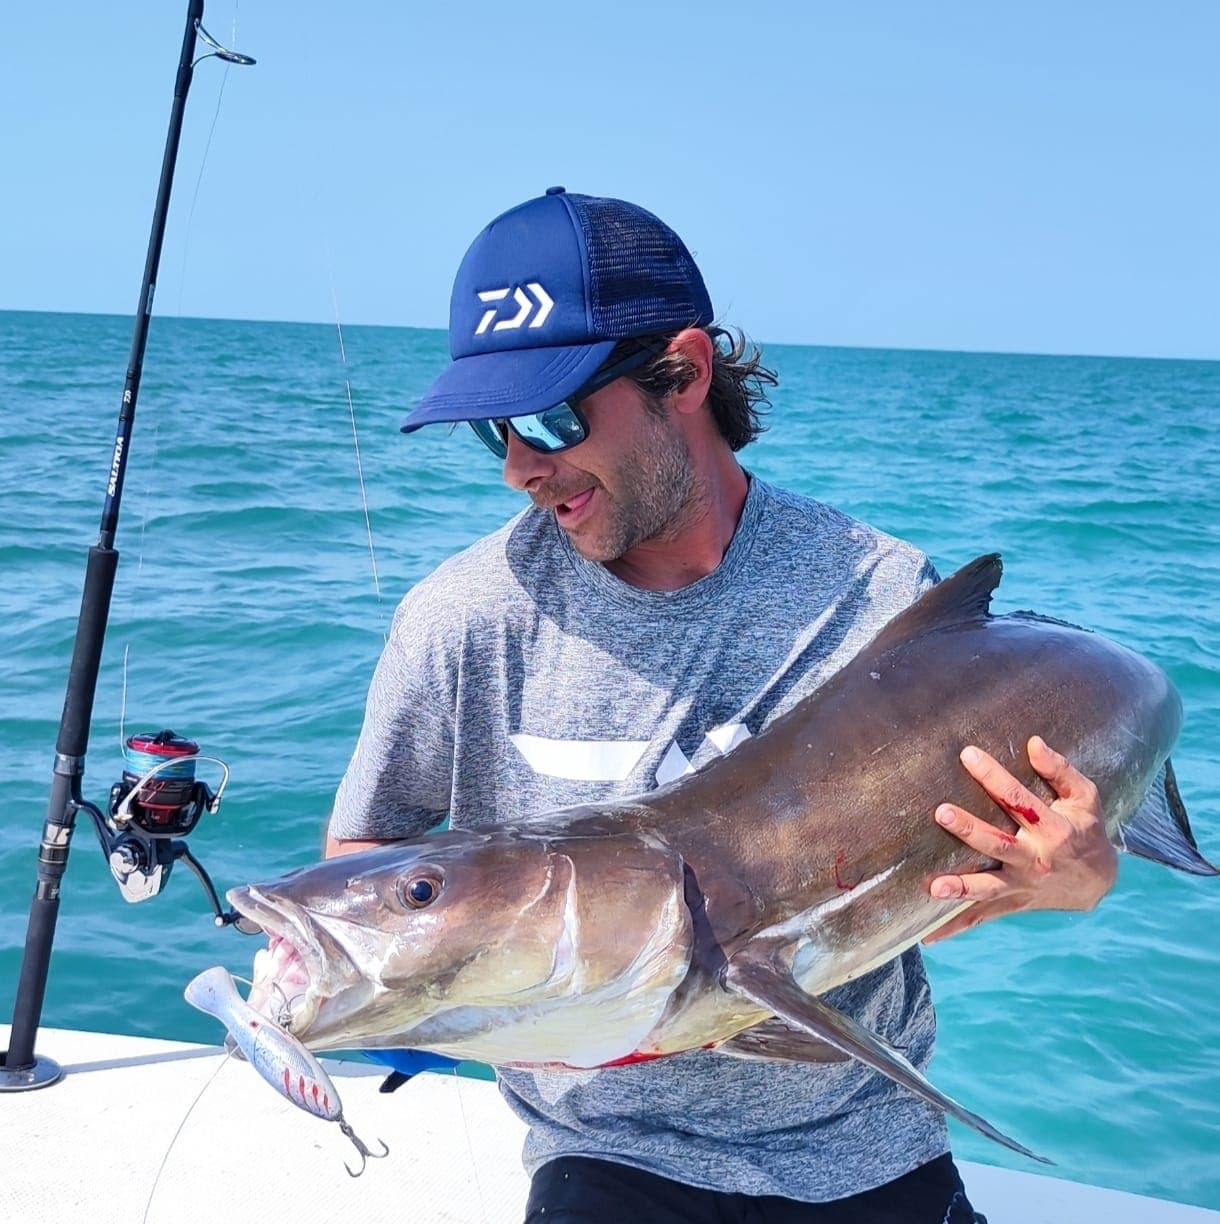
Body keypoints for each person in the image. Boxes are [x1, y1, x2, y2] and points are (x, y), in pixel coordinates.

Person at [324, 187, 1118, 1223]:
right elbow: (364, 864)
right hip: (606, 1154)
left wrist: (1071, 876)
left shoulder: (877, 594)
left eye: (555, 417)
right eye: (492, 430)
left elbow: (987, 883)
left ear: (687, 373)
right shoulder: (461, 619)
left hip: (863, 1140)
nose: (520, 467)